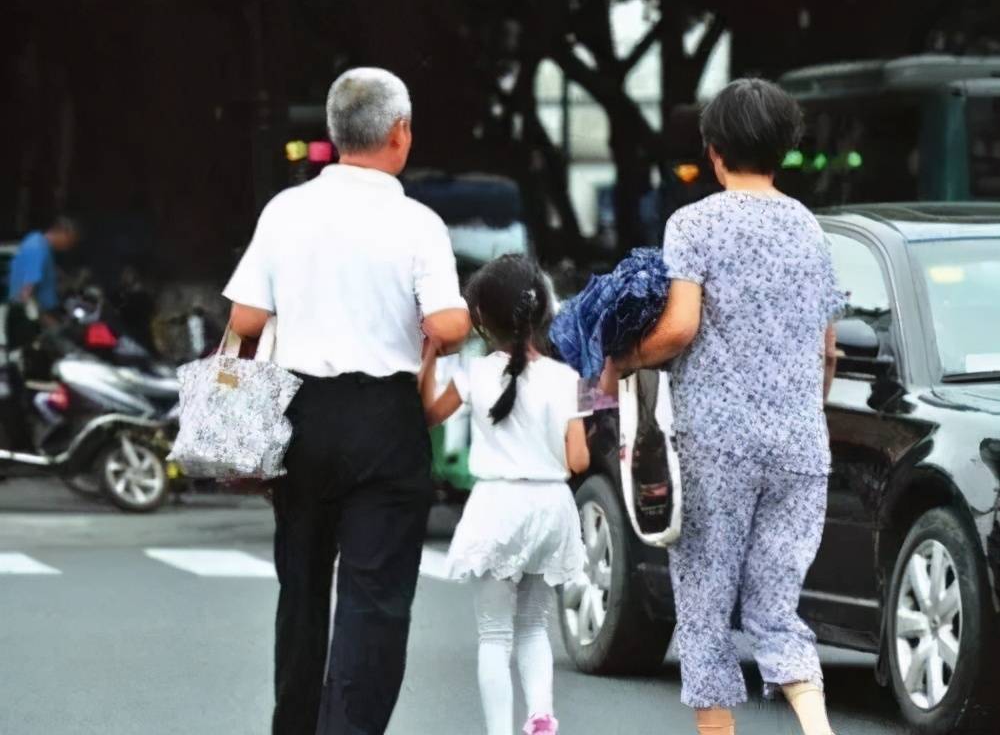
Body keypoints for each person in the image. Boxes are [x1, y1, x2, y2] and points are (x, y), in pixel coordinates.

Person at [223, 67, 471, 735]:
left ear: (333, 134)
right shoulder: (418, 222)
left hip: (299, 418)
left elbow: (246, 318)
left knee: (300, 589)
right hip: (385, 422)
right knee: (375, 599)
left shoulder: (286, 209)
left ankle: (294, 726)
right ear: (400, 133)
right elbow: (448, 326)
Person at [602, 79, 843, 735]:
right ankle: (817, 730)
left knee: (705, 610)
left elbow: (680, 328)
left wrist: (625, 359)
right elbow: (829, 349)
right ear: (783, 150)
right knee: (777, 606)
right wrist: (801, 413)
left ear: (713, 152)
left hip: (717, 445)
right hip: (799, 445)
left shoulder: (695, 223)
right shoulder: (810, 229)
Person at [419, 254, 589, 735]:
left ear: (479, 319)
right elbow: (577, 461)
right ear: (541, 314)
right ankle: (541, 717)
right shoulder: (568, 379)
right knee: (535, 625)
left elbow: (427, 414)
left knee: (494, 634)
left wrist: (429, 353)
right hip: (552, 509)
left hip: (498, 506)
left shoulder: (473, 375)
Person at [5, 216, 80, 348]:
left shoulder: (41, 244)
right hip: (30, 317)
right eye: (70, 241)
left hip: (37, 313)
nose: (68, 247)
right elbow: (27, 288)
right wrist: (43, 317)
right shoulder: (37, 247)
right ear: (62, 232)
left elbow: (47, 275)